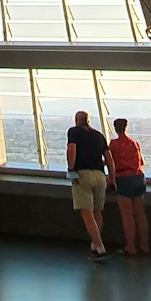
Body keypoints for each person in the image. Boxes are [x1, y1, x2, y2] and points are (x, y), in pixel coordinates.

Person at [66, 109, 116, 261]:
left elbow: (71, 150)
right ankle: (95, 246)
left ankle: (100, 249)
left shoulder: (73, 132)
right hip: (100, 176)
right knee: (97, 211)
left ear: (76, 120)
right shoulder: (99, 135)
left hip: (83, 175)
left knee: (86, 213)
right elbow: (109, 159)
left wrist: (71, 169)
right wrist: (112, 179)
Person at [108, 117, 150, 256]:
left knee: (127, 215)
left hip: (123, 179)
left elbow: (110, 162)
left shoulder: (114, 144)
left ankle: (130, 247)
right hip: (138, 177)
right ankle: (144, 245)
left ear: (115, 128)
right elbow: (141, 161)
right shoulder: (134, 143)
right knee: (140, 214)